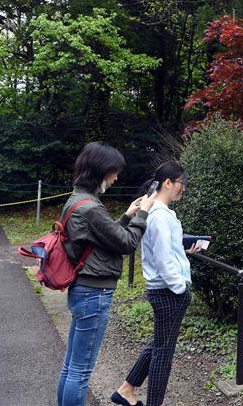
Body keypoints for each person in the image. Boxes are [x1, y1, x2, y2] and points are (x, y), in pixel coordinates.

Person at [58, 142, 154, 406]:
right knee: (80, 370)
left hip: (82, 289)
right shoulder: (91, 208)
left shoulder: (77, 201)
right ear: (100, 171)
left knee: (71, 366)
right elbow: (126, 243)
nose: (116, 178)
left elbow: (103, 237)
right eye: (113, 172)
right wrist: (143, 214)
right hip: (94, 293)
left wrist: (126, 216)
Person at [112, 162, 201, 406]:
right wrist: (180, 287)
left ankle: (126, 389)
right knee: (164, 353)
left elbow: (164, 251)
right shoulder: (160, 215)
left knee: (160, 343)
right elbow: (162, 259)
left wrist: (183, 252)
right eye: (182, 183)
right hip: (168, 291)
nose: (183, 188)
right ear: (168, 183)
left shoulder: (158, 212)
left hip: (163, 289)